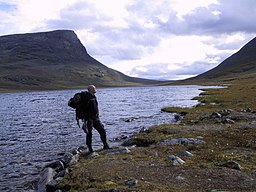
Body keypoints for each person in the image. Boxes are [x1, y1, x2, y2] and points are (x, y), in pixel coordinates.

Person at [82, 85, 110, 153]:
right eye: (94, 88)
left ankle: (105, 145)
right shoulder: (86, 98)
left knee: (102, 131)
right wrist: (84, 122)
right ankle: (90, 148)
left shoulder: (93, 97)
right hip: (89, 119)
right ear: (90, 89)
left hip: (96, 118)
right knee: (89, 134)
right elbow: (84, 110)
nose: (95, 89)